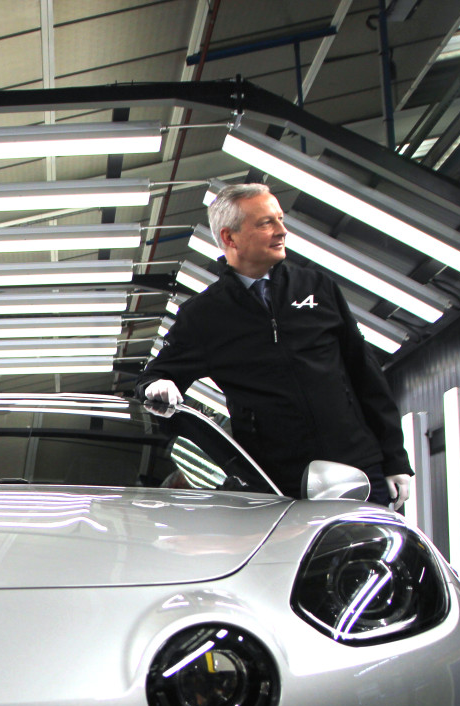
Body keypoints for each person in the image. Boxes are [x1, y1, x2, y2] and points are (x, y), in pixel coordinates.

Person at [136, 183, 413, 508]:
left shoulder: (318, 287)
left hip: (359, 473)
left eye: (280, 219)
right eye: (266, 222)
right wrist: (158, 383)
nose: (281, 231)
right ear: (230, 237)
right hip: (276, 487)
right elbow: (149, 380)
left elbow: (366, 375)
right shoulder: (204, 316)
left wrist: (395, 461)